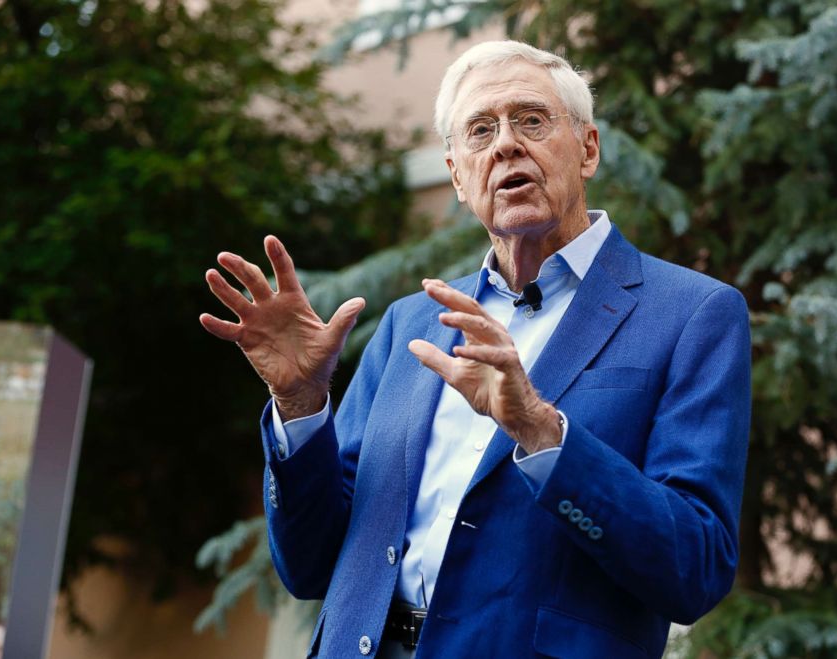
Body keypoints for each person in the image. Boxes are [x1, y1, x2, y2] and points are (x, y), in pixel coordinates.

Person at [202, 40, 751, 658]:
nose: (506, 144)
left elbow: (697, 567)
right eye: (481, 131)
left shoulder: (692, 314)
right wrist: (301, 407)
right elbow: (309, 566)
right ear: (459, 176)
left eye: (532, 121)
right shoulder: (412, 324)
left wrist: (541, 431)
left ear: (588, 149)